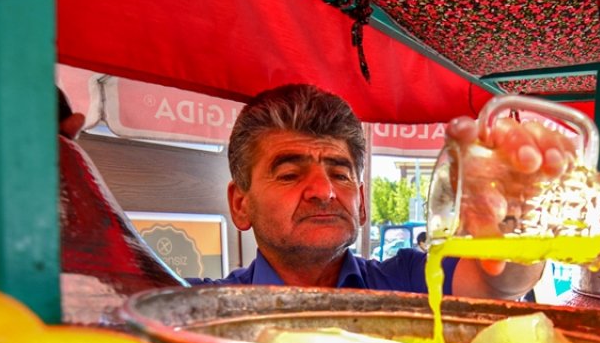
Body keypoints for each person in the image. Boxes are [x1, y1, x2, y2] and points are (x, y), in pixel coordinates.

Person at [188, 84, 568, 299]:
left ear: (363, 203)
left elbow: (499, 281)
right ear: (241, 204)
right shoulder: (197, 307)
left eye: (340, 174)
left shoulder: (409, 281)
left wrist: (517, 215)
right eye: (289, 174)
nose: (324, 191)